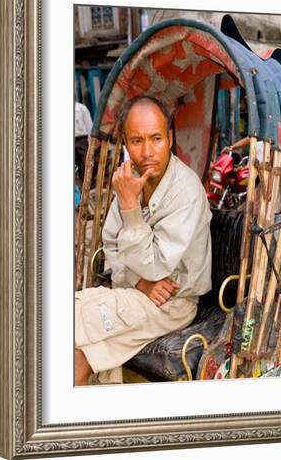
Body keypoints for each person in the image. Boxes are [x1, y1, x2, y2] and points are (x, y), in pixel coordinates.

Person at [74, 95, 212, 385]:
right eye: (137, 141)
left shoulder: (185, 191)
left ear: (170, 139)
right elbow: (110, 241)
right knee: (78, 347)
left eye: (156, 138)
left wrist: (129, 207)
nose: (147, 151)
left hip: (173, 303)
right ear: (125, 143)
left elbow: (158, 267)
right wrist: (138, 281)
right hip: (136, 290)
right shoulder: (131, 178)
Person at [75, 101, 93, 182]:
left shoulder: (81, 108)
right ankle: (81, 184)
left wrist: (91, 143)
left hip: (82, 140)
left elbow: (89, 125)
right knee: (75, 165)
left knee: (86, 162)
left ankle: (90, 183)